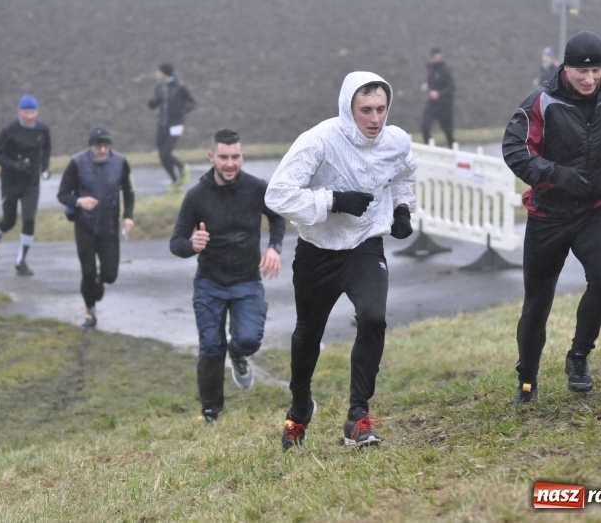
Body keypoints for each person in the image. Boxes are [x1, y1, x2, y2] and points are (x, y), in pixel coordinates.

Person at [502, 31, 601, 405]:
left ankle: (578, 358)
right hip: (548, 215)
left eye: (596, 70)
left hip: (594, 210)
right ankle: (527, 378)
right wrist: (555, 173)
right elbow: (514, 149)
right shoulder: (542, 101)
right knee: (537, 302)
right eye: (580, 71)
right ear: (565, 68)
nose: (589, 79)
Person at [265, 71, 417, 450]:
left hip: (364, 246)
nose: (375, 118)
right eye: (365, 109)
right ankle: (299, 409)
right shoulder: (317, 141)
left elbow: (403, 174)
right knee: (307, 335)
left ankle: (357, 418)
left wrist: (402, 210)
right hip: (318, 250)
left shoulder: (396, 141)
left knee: (373, 317)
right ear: (348, 108)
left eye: (381, 109)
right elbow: (277, 195)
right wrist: (333, 200)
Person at [170, 129, 285, 425]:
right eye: (224, 157)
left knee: (247, 339)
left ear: (242, 157)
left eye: (235, 157)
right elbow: (176, 242)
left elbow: (277, 217)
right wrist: (191, 245)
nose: (230, 163)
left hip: (247, 280)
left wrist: (274, 247)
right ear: (212, 157)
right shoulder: (197, 196)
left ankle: (239, 355)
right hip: (210, 283)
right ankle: (211, 413)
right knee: (210, 346)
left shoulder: (257, 188)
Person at [57, 126, 135, 329]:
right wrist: (80, 201)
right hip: (85, 227)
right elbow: (62, 194)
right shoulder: (77, 163)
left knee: (110, 275)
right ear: (91, 146)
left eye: (106, 146)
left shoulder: (120, 162)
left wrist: (128, 217)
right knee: (88, 273)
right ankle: (90, 312)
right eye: (98, 146)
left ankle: (100, 282)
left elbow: (129, 191)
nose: (102, 150)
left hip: (109, 227)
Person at [0, 94, 52, 276]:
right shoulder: (9, 130)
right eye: (26, 112)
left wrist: (45, 168)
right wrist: (15, 165)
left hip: (31, 183)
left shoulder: (43, 129)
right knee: (10, 221)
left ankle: (21, 261)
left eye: (33, 112)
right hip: (10, 182)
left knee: (29, 218)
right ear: (19, 112)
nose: (30, 116)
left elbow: (47, 148)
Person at [148, 62, 196, 192]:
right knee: (161, 154)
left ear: (164, 73)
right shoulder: (159, 86)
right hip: (162, 124)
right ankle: (174, 181)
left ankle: (182, 167)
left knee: (166, 152)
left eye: (158, 71)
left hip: (176, 124)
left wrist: (181, 111)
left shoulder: (180, 86)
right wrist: (152, 103)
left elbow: (192, 102)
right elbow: (158, 101)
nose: (156, 73)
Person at [420, 46, 456, 148]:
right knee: (424, 126)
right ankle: (429, 147)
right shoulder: (430, 67)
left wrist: (439, 93)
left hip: (445, 105)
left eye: (434, 56)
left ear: (440, 55)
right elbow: (430, 79)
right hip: (432, 103)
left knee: (448, 131)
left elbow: (451, 87)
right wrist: (426, 84)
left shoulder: (446, 69)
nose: (433, 58)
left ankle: (453, 152)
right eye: (431, 56)